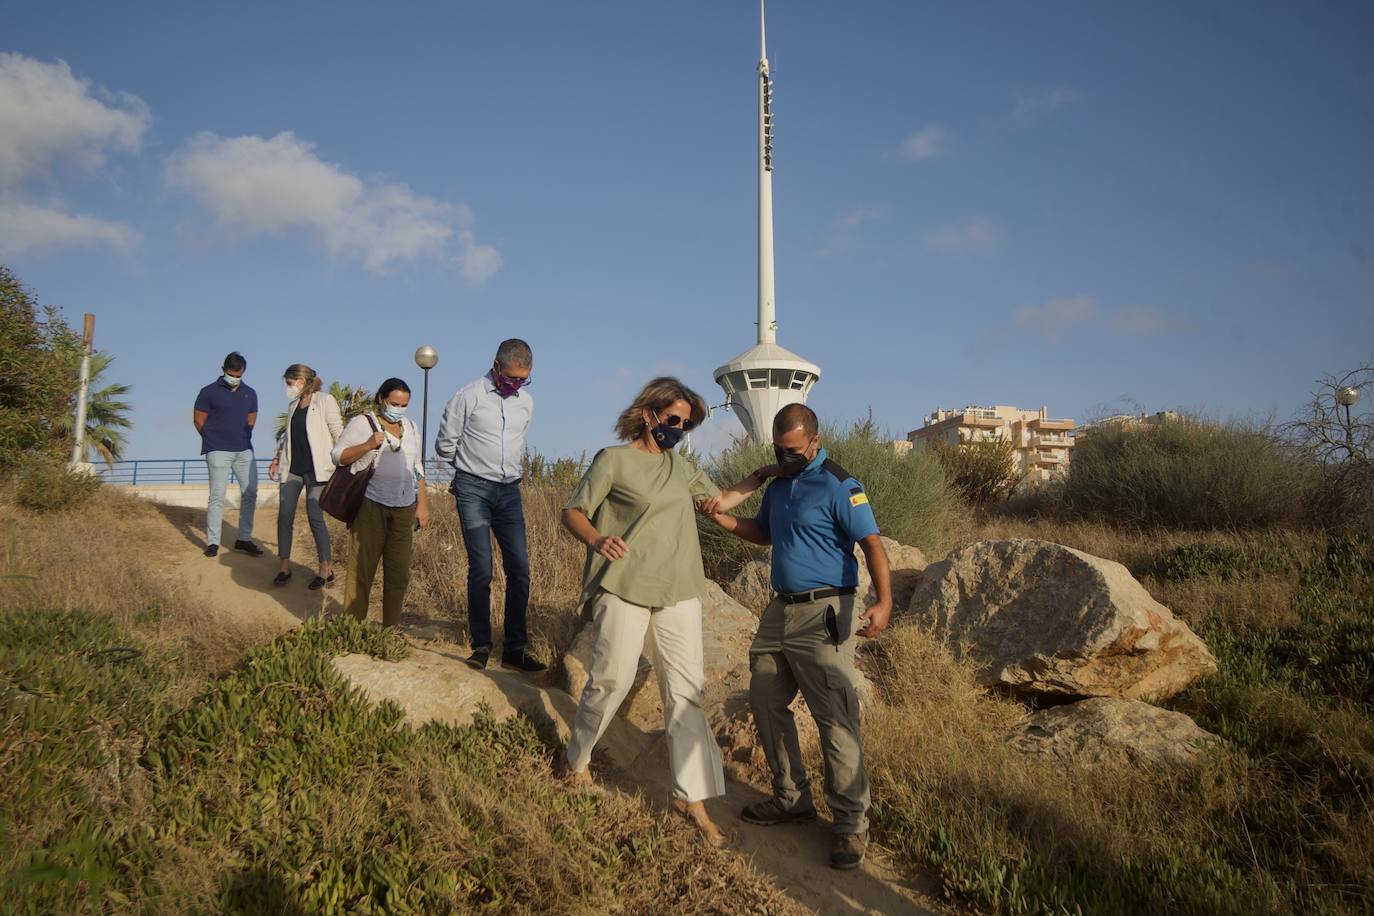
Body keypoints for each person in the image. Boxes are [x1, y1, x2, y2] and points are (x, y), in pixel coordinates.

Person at [559, 377, 776, 847]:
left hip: (678, 588)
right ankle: (576, 763)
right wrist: (597, 539)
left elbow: (718, 504)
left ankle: (690, 797)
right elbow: (573, 512)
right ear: (649, 414)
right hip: (624, 584)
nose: (679, 428)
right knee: (611, 679)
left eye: (687, 423)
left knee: (686, 693)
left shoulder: (683, 468)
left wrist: (759, 477)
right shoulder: (613, 460)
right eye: (673, 419)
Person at [706, 403, 892, 870]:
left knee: (835, 719)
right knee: (765, 699)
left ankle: (851, 824)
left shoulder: (839, 484)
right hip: (779, 611)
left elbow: (871, 544)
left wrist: (884, 602)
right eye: (777, 451)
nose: (784, 459)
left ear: (813, 439)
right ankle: (791, 799)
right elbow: (765, 533)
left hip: (825, 612)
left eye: (792, 452)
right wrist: (724, 520)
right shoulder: (780, 485)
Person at [434, 339, 544, 672]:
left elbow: (518, 441)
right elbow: (444, 446)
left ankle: (515, 649)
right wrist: (470, 472)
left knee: (520, 569)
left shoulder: (526, 403)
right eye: (511, 378)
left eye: (523, 380)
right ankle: (481, 646)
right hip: (473, 490)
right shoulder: (467, 397)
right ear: (495, 366)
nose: (516, 386)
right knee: (482, 569)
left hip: (510, 492)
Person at [331, 378, 430, 627]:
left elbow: (417, 467)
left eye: (404, 404)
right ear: (381, 399)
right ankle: (351, 629)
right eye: (394, 403)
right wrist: (367, 445)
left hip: (404, 507)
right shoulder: (362, 423)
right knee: (361, 572)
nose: (399, 408)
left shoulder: (411, 427)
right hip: (370, 505)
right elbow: (338, 456)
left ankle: (390, 632)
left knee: (398, 575)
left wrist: (422, 505)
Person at [268, 364, 343, 589]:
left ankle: (325, 569)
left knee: (315, 517)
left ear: (301, 381)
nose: (288, 388)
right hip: (292, 468)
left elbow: (337, 431)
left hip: (317, 469)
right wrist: (276, 459)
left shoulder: (324, 400)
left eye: (290, 384)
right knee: (285, 515)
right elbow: (286, 438)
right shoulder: (292, 406)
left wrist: (344, 460)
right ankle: (284, 567)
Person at [193, 351, 263, 558]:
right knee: (217, 495)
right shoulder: (208, 392)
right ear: (224, 370)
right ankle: (213, 542)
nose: (235, 378)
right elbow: (198, 419)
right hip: (217, 450)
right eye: (232, 373)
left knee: (250, 492)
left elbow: (252, 419)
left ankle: (244, 538)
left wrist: (240, 437)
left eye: (239, 374)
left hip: (244, 450)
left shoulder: (250, 393)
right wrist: (213, 439)